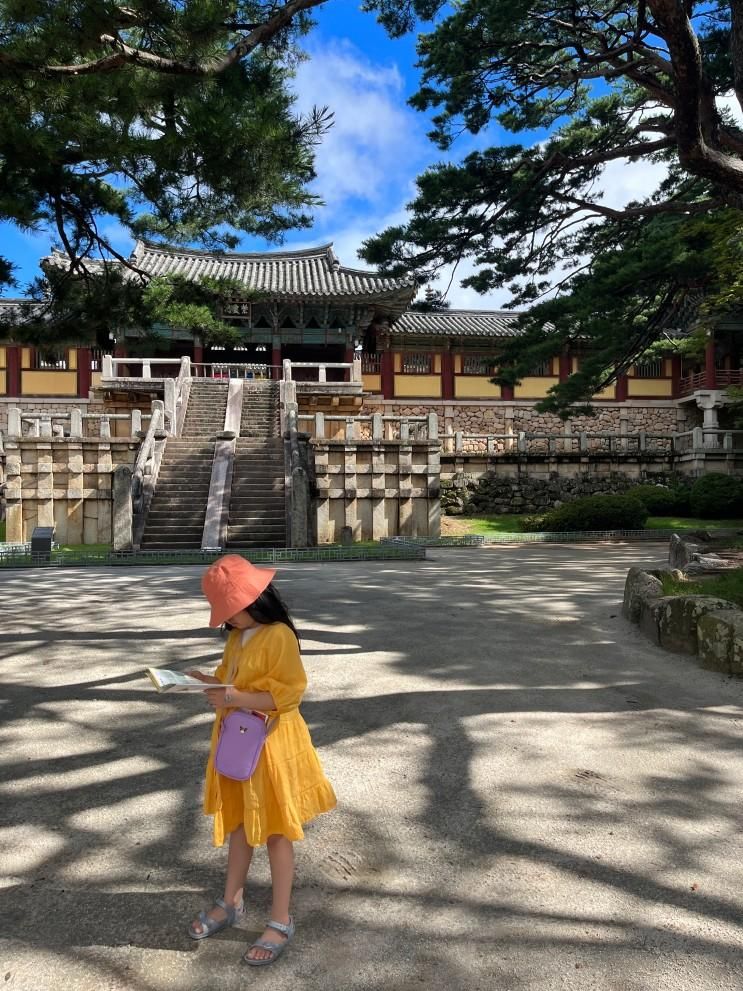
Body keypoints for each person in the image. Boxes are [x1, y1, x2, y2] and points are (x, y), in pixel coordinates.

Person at [187, 554, 336, 966]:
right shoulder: (238, 637)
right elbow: (232, 680)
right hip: (237, 741)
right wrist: (207, 682)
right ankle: (231, 901)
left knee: (275, 833)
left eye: (230, 611)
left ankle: (280, 918)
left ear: (254, 598)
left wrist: (233, 697)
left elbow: (286, 696)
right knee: (237, 823)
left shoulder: (278, 637)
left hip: (271, 745)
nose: (227, 621)